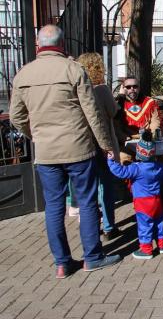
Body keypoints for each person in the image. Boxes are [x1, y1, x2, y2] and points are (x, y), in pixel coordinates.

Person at [9, 25, 122, 278]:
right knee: (87, 203)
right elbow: (93, 113)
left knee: (53, 207)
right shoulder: (73, 70)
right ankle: (93, 257)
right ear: (62, 45)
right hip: (78, 150)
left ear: (38, 46)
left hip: (46, 154)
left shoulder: (23, 75)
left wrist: (35, 134)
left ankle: (62, 263)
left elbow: (16, 117)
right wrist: (105, 145)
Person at [76, 52, 121, 241]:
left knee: (88, 189)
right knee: (106, 187)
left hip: (83, 146)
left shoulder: (76, 90)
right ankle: (109, 226)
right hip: (104, 145)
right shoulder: (102, 89)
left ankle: (92, 225)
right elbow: (113, 111)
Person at [107, 132, 163, 259]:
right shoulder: (159, 167)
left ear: (139, 153)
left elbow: (120, 172)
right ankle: (162, 245)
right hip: (157, 200)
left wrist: (111, 161)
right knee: (159, 222)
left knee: (144, 226)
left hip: (143, 203)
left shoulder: (135, 168)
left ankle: (146, 250)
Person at [115, 77, 161, 162]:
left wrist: (152, 136)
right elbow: (116, 124)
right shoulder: (119, 103)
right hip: (127, 140)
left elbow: (155, 121)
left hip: (147, 139)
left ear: (139, 88)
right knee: (124, 157)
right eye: (128, 87)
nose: (132, 89)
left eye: (135, 86)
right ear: (123, 88)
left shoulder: (150, 102)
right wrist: (123, 137)